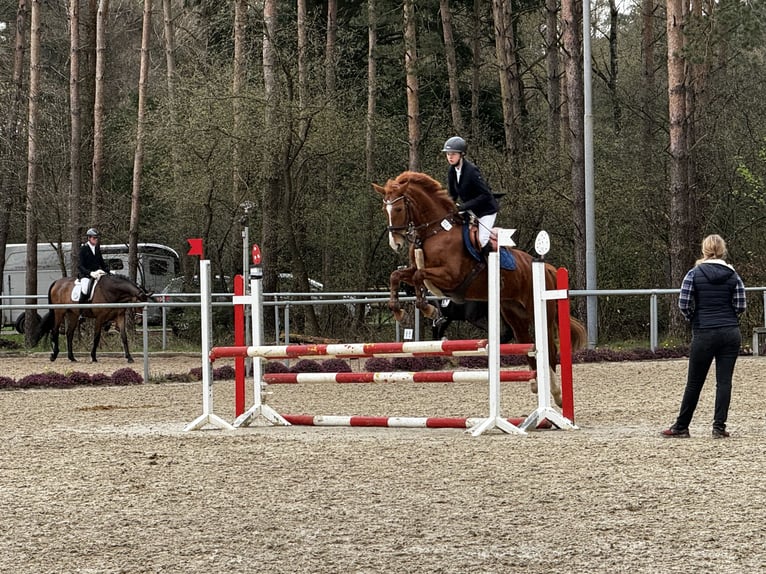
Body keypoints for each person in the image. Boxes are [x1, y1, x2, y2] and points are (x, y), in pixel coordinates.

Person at [662, 234, 746, 439]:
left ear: (704, 250)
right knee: (724, 382)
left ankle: (682, 426)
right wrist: (729, 318)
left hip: (704, 331)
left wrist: (694, 318)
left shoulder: (694, 273)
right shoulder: (733, 275)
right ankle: (719, 427)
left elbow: (683, 302)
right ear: (723, 250)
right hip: (729, 331)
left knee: (694, 382)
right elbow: (741, 304)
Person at [442, 136, 499, 260]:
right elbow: (453, 195)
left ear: (461, 154)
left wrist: (463, 206)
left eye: (453, 154)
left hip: (486, 211)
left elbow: (486, 195)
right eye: (448, 154)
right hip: (470, 210)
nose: (450, 157)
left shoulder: (471, 171)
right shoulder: (451, 171)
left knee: (482, 240)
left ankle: (490, 267)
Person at [77, 227, 109, 301]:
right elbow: (80, 266)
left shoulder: (97, 249)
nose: (96, 239)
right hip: (86, 276)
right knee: (85, 290)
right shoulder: (83, 249)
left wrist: (109, 271)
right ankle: (81, 310)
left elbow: (102, 264)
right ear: (89, 238)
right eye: (94, 238)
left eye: (97, 238)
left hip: (97, 275)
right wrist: (90, 273)